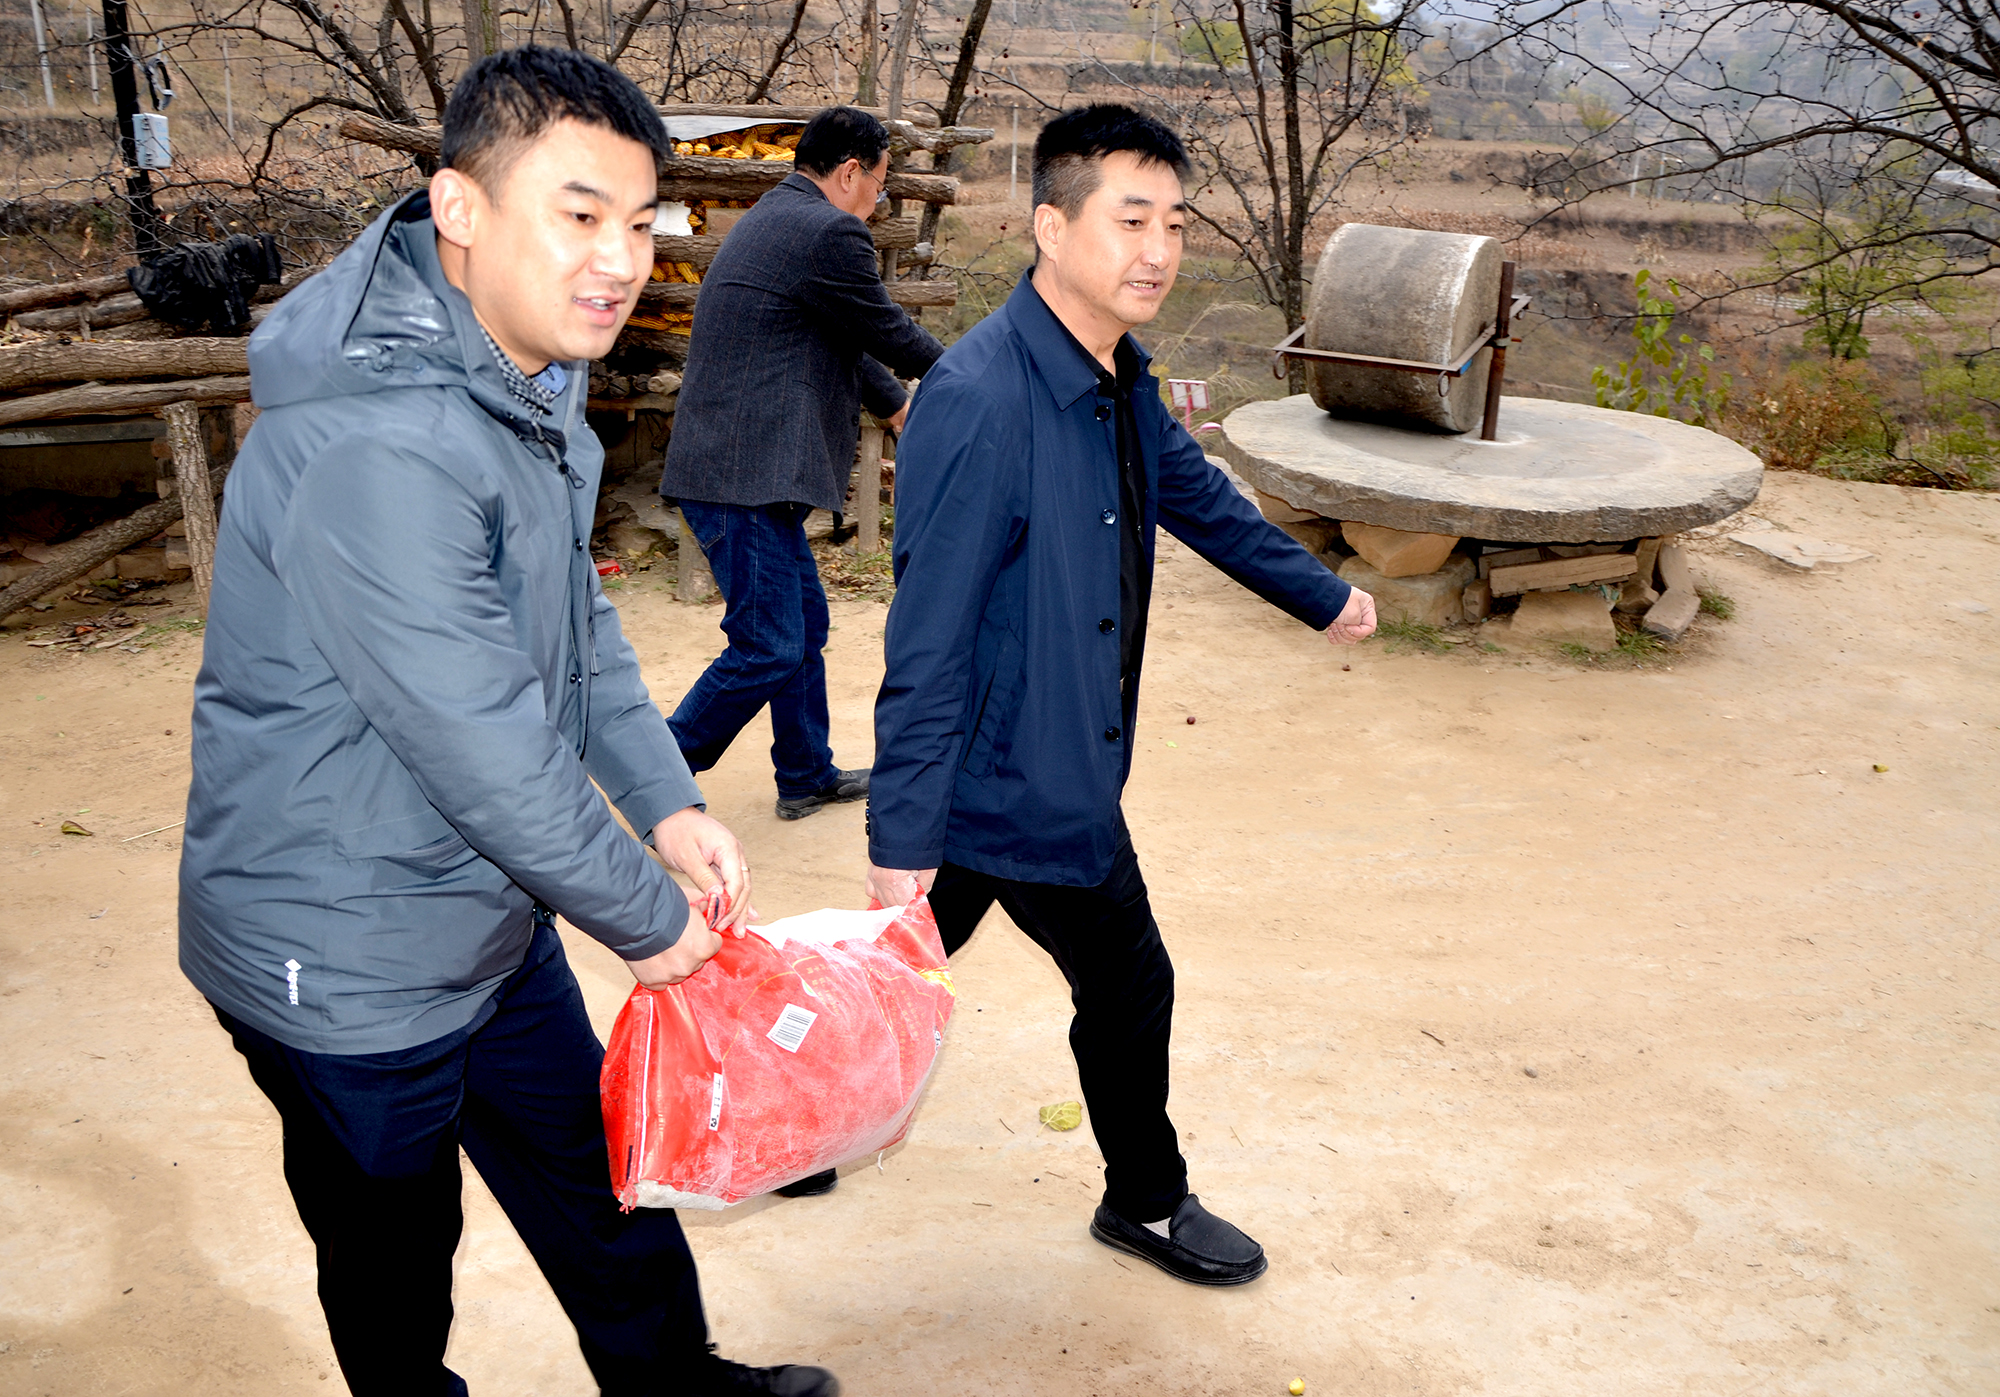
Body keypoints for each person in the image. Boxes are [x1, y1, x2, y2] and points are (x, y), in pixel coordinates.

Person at [178, 48, 837, 1397]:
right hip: (344, 954)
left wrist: (666, 800)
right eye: (577, 213)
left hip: (476, 908)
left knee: (599, 1179)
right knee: (394, 1253)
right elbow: (480, 743)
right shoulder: (379, 439)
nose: (620, 260)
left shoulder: (517, 376)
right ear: (459, 209)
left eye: (639, 223)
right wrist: (649, 922)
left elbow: (571, 624)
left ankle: (674, 1382)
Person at [863, 105, 1380, 1288]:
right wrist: (899, 833)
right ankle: (1143, 1200)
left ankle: (793, 1115)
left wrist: (1320, 595)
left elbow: (1194, 495)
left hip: (1040, 762)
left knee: (886, 975)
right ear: (1051, 228)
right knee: (1124, 980)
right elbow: (925, 635)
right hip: (1019, 781)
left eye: (1173, 224)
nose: (1157, 250)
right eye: (1129, 219)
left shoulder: (1116, 375)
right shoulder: (980, 395)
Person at [659, 105, 944, 823]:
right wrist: (977, 376)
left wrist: (895, 406)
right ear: (849, 172)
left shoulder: (780, 216)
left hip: (741, 468)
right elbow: (886, 329)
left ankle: (806, 774)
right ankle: (653, 774)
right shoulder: (828, 231)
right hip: (742, 473)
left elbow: (833, 330)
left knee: (801, 626)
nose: (879, 199)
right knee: (769, 644)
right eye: (880, 182)